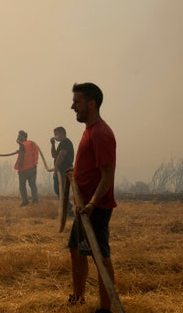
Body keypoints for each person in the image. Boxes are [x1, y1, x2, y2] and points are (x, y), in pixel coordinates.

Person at [66, 82, 117, 313]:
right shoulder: (89, 131)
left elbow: (107, 176)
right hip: (84, 207)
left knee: (100, 256)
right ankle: (78, 297)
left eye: (77, 102)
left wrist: (92, 203)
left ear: (91, 103)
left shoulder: (101, 133)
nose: (72, 106)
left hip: (95, 208)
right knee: (76, 250)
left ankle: (106, 308)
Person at [14, 130, 39, 206]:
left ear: (23, 137)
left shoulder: (22, 145)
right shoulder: (31, 144)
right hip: (33, 168)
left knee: (22, 186)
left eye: (19, 136)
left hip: (24, 169)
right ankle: (35, 200)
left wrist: (20, 169)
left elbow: (22, 157)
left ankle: (25, 201)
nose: (18, 137)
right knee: (33, 185)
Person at [50, 126, 75, 199]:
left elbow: (61, 156)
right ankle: (65, 208)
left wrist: (56, 167)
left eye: (56, 134)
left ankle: (67, 208)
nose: (55, 137)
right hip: (59, 170)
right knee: (58, 190)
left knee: (62, 190)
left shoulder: (66, 142)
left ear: (62, 133)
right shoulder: (61, 144)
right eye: (54, 135)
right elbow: (54, 155)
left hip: (64, 170)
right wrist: (53, 144)